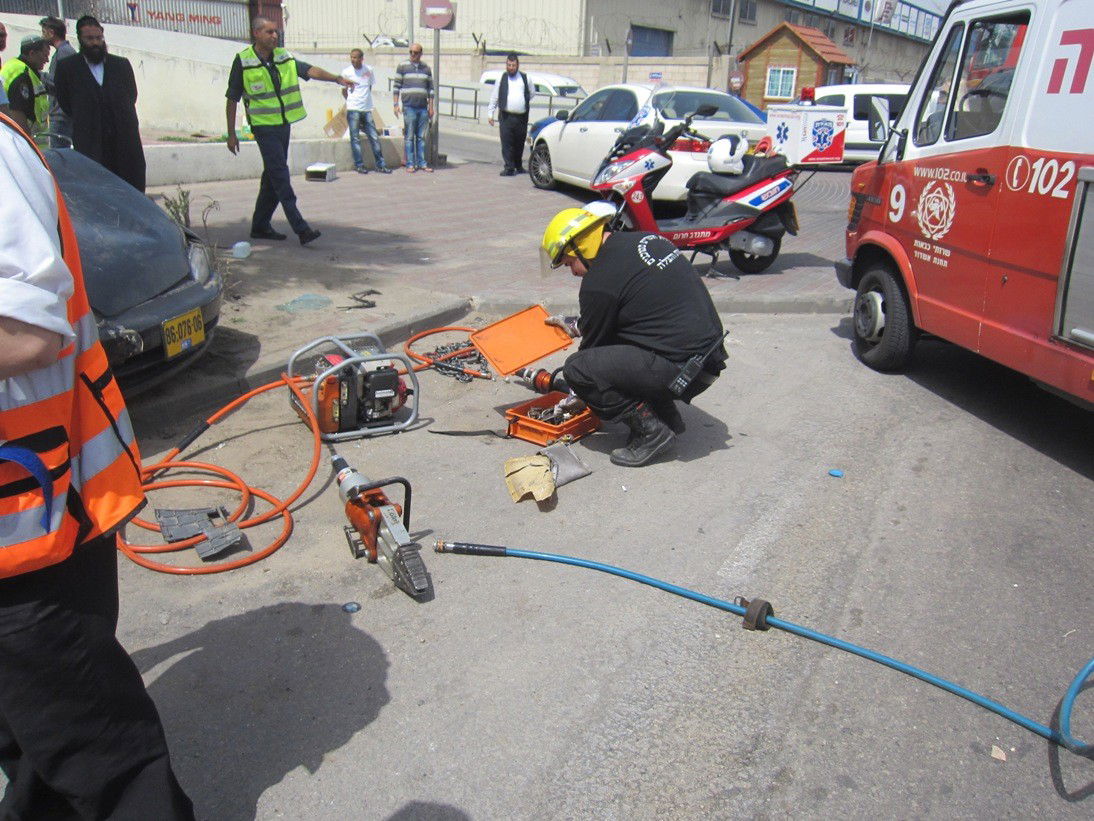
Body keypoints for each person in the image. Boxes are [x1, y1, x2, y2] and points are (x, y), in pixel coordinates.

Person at [0, 111, 195, 820]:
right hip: (32, 515)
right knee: (31, 739)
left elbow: (26, 331)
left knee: (97, 748)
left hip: (34, 525)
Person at [540, 207, 727, 467]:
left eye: (570, 262)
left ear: (581, 245)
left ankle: (652, 433)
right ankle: (666, 417)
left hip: (683, 373)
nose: (573, 272)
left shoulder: (599, 283)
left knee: (579, 368)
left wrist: (577, 393)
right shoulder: (643, 240)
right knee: (630, 339)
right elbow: (638, 307)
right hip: (709, 358)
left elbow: (592, 351)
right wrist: (578, 323)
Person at [226, 17, 353, 245]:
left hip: (283, 125)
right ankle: (301, 228)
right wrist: (231, 133)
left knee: (272, 176)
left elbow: (309, 70)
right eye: (269, 32)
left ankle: (260, 226)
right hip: (263, 127)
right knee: (280, 175)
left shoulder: (284, 57)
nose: (275, 36)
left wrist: (336, 78)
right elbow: (232, 99)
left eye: (276, 32)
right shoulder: (243, 61)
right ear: (256, 33)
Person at [54, 16, 147, 192]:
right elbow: (66, 102)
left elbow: (131, 96)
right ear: (80, 39)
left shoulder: (121, 65)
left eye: (98, 38)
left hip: (124, 146)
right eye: (90, 39)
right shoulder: (68, 68)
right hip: (91, 146)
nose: (95, 43)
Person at [342, 47, 390, 174]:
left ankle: (380, 164)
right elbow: (343, 90)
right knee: (355, 138)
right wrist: (351, 101)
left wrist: (365, 101)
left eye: (356, 57)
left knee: (374, 136)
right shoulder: (346, 72)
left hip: (367, 109)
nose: (353, 60)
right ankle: (359, 165)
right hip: (353, 109)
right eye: (352, 57)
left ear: (362, 59)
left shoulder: (369, 70)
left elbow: (369, 87)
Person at [392, 43, 434, 173]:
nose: (413, 55)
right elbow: (396, 87)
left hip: (422, 107)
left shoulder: (426, 68)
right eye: (411, 52)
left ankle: (422, 163)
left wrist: (431, 107)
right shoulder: (402, 67)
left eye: (415, 52)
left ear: (421, 53)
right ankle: (410, 163)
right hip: (409, 106)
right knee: (409, 137)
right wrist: (395, 104)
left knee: (421, 137)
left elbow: (431, 90)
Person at [487, 52, 530, 176]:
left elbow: (531, 93)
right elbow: (494, 97)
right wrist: (490, 113)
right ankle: (509, 167)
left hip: (521, 117)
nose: (511, 67)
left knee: (519, 142)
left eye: (513, 65)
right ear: (506, 65)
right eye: (509, 65)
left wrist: (520, 103)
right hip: (506, 116)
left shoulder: (525, 78)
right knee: (507, 143)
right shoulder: (502, 78)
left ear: (517, 65)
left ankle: (518, 166)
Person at [1, 35, 50, 135]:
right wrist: (27, 142)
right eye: (45, 55)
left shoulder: (14, 66)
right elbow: (17, 114)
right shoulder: (22, 75)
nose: (47, 60)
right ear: (32, 54)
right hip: (22, 141)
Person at [39, 15, 76, 147]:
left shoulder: (64, 53)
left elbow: (58, 83)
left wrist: (39, 75)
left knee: (59, 155)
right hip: (61, 114)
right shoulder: (63, 52)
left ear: (51, 33)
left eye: (44, 32)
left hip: (61, 116)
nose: (42, 36)